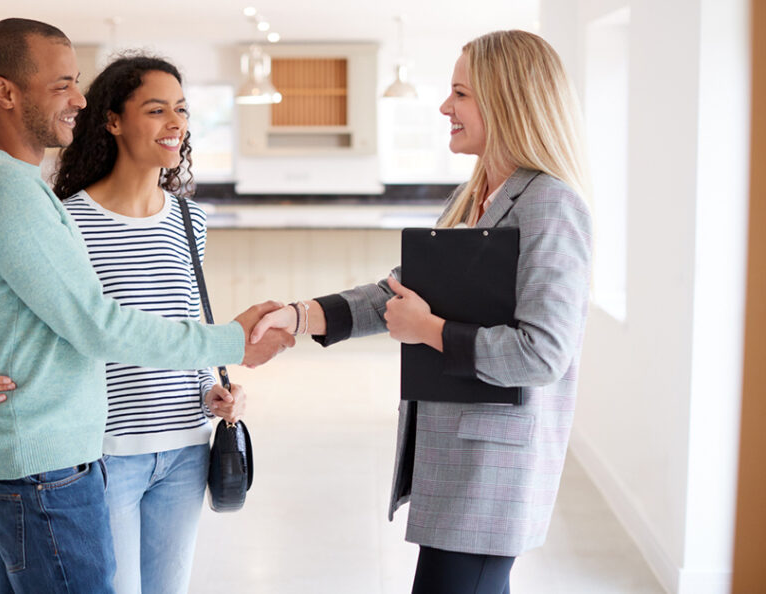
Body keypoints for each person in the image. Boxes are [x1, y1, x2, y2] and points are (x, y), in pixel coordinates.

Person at [0, 20, 292, 594]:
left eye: (181, 109)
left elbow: (169, 316)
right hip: (95, 451)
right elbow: (91, 324)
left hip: (176, 442)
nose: (77, 97)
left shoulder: (184, 218)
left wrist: (212, 381)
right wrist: (235, 340)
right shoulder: (39, 203)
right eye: (62, 85)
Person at [251, 30, 592, 594]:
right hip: (458, 454)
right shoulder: (476, 195)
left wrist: (431, 331)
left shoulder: (551, 204)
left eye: (460, 94)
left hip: (493, 468)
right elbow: (397, 292)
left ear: (505, 99)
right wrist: (301, 315)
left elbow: (544, 355)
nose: (444, 107)